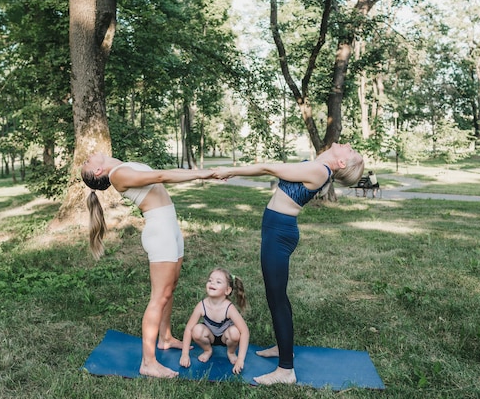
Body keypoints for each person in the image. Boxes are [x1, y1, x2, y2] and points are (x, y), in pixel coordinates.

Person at [212, 142, 364, 385]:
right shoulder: (319, 166)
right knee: (277, 297)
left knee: (277, 300)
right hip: (276, 230)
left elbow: (269, 169)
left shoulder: (319, 171)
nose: (347, 144)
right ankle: (285, 349)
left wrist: (231, 171)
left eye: (351, 150)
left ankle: (286, 370)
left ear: (342, 163)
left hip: (279, 234)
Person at [80, 153, 214, 378]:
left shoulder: (121, 167)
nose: (87, 158)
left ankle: (165, 338)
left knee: (169, 289)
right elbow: (161, 175)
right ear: (97, 171)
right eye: (86, 163)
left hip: (170, 227)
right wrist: (202, 173)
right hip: (160, 232)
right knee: (159, 296)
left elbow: (160, 177)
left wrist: (200, 174)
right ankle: (148, 362)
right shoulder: (118, 175)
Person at [179, 268, 250, 375]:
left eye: (218, 282)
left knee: (235, 332)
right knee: (196, 330)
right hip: (209, 336)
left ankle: (230, 352)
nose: (212, 283)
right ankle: (208, 350)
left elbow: (244, 331)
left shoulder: (229, 308)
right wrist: (185, 354)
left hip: (225, 337)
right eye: (210, 280)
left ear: (227, 290)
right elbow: (188, 329)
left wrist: (240, 359)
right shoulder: (202, 305)